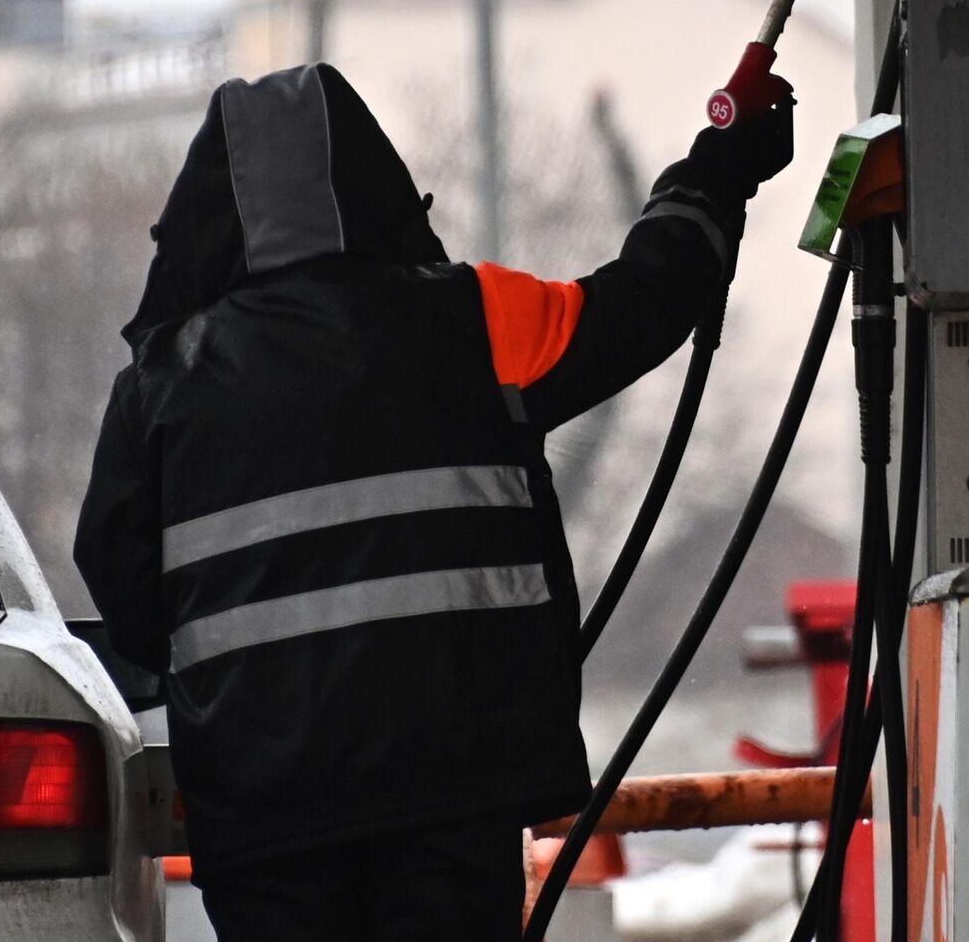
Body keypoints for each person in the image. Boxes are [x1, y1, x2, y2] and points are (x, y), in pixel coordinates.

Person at [74, 61, 792, 941]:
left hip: (266, 821)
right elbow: (645, 300)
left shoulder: (161, 385)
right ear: (378, 187)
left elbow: (120, 580)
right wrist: (719, 166)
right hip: (454, 804)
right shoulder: (473, 321)